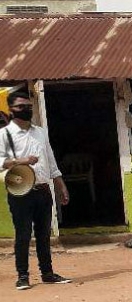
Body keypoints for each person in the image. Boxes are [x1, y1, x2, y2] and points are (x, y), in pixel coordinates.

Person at [0, 91, 71, 290]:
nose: (27, 109)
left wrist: (60, 184)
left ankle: (47, 273)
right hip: (20, 191)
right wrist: (19, 161)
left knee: (43, 234)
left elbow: (51, 159)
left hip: (42, 189)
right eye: (21, 106)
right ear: (12, 110)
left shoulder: (40, 132)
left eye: (29, 106)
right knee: (23, 235)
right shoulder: (4, 135)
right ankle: (22, 276)